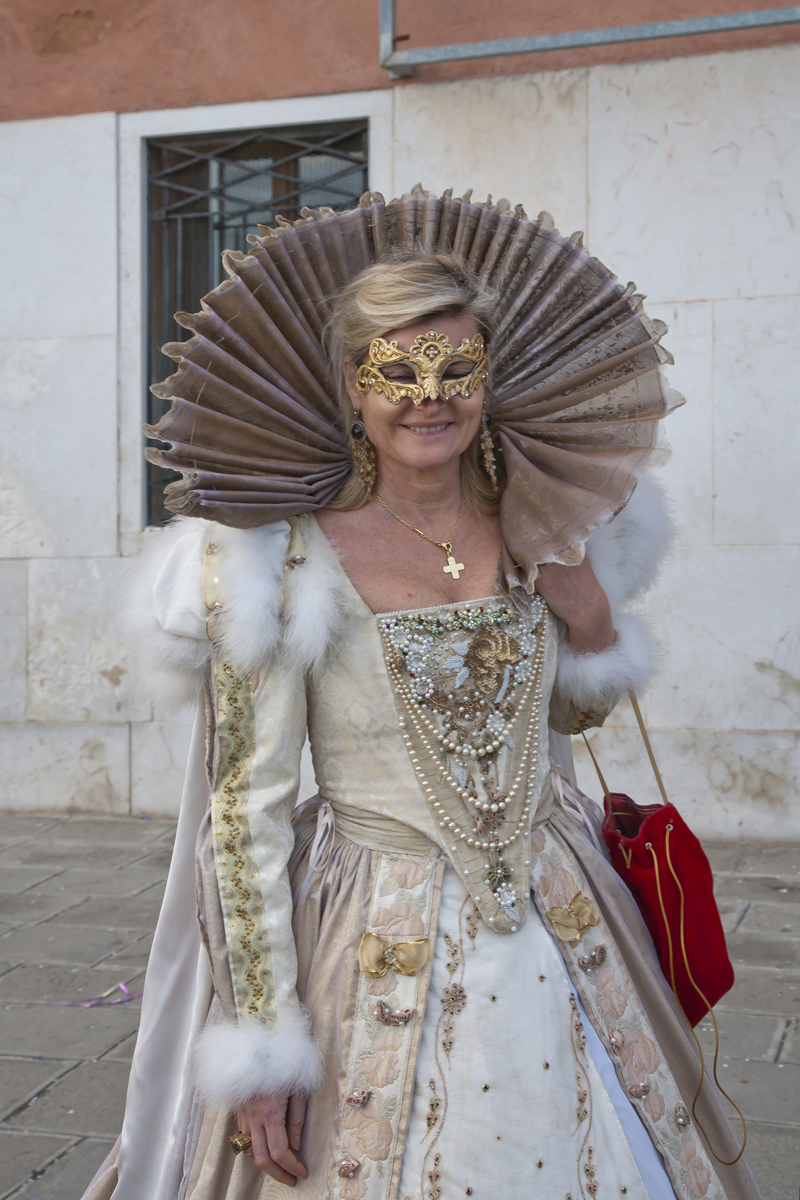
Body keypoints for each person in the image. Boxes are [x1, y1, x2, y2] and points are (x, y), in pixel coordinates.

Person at [83, 189, 759, 1200]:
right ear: (351, 387)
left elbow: (565, 721)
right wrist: (266, 1050)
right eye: (394, 371)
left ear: (489, 377)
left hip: (562, 913)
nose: (427, 397)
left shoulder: (543, 523)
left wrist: (589, 622)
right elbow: (243, 818)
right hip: (370, 941)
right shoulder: (280, 565)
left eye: (455, 368)